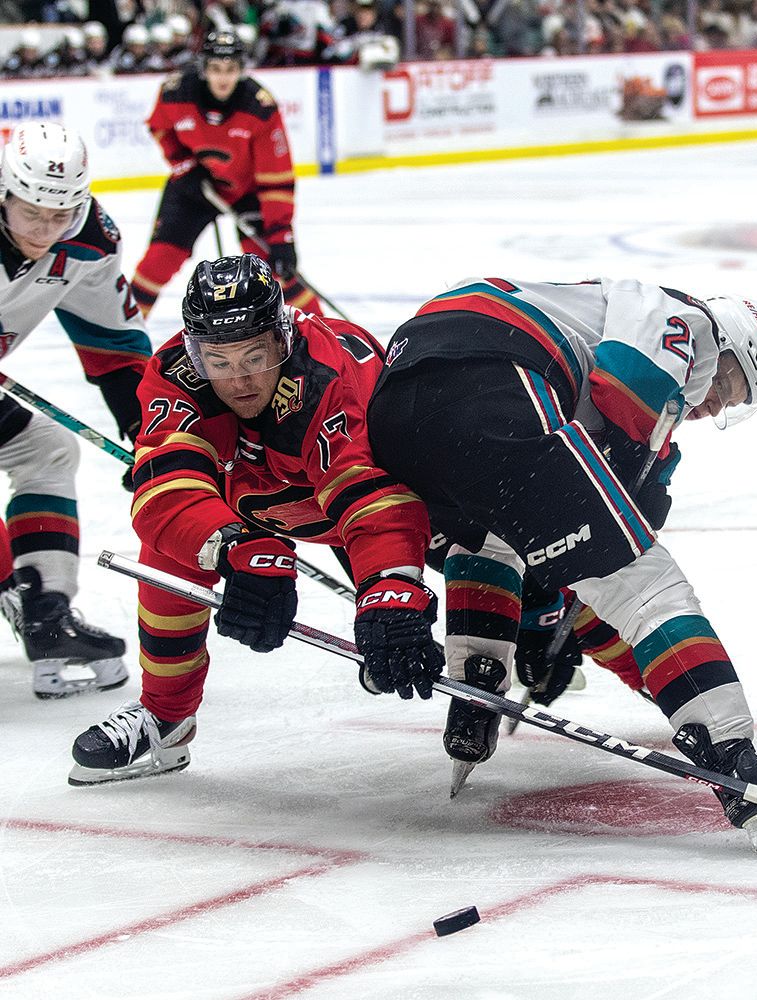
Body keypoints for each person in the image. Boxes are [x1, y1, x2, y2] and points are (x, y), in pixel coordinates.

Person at [364, 276, 757, 856]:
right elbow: (628, 389)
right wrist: (625, 507)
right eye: (731, 386)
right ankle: (737, 765)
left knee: (485, 541)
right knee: (644, 584)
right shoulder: (686, 321)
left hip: (399, 400)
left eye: (731, 406)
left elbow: (549, 495)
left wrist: (549, 600)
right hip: (492, 375)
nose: (714, 404)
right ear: (729, 347)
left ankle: (475, 691)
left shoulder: (591, 311)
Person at [69, 253, 442, 785]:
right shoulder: (175, 371)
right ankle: (165, 719)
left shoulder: (325, 375)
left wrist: (389, 594)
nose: (239, 380)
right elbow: (163, 490)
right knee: (171, 550)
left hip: (370, 498)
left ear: (281, 337)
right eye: (219, 362)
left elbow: (372, 499)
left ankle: (541, 622)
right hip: (258, 505)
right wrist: (238, 550)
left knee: (494, 551)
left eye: (254, 357)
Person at [0, 122, 153, 697]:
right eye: (30, 213)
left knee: (45, 447)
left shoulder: (87, 240)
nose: (45, 230)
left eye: (58, 215)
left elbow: (114, 347)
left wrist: (150, 436)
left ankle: (46, 612)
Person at [130, 29, 323, 319]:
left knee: (276, 269)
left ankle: (328, 334)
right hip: (195, 188)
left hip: (247, 193)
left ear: (241, 70)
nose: (223, 78)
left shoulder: (259, 107)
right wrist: (184, 165)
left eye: (231, 69)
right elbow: (160, 128)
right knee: (158, 262)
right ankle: (124, 338)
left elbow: (276, 179)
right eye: (216, 69)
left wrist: (281, 236)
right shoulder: (175, 93)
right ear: (204, 68)